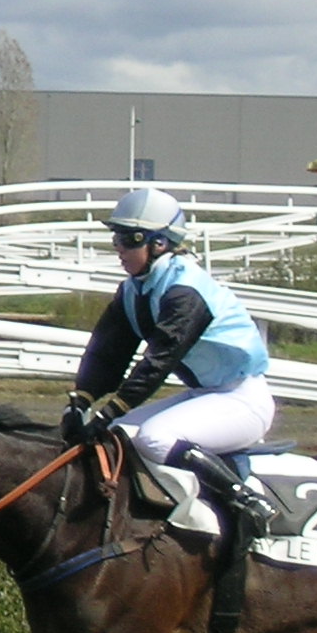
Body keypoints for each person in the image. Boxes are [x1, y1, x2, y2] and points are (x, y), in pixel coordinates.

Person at [64, 186, 278, 527]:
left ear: (159, 243)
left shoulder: (185, 291)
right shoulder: (135, 289)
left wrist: (107, 410)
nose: (119, 249)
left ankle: (244, 500)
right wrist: (80, 401)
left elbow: (158, 360)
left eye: (128, 240)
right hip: (205, 396)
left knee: (155, 438)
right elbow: (108, 352)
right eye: (116, 239)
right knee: (116, 436)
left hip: (243, 400)